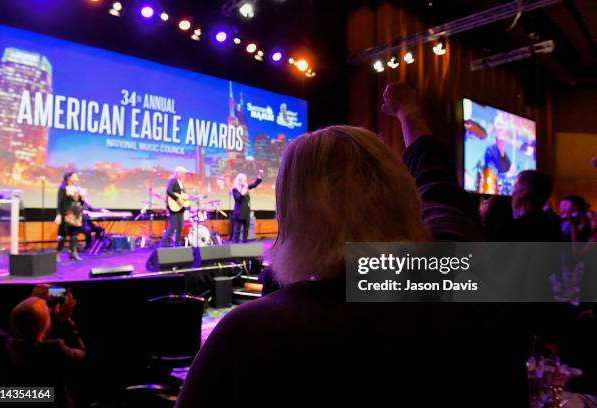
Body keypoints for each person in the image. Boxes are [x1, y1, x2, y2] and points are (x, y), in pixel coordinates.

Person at [176, 84, 527, 407]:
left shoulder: (246, 335)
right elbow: (442, 195)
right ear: (401, 195)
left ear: (293, 213)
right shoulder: (462, 287)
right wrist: (410, 116)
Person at [0, 297, 85, 408]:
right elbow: (82, 355)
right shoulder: (55, 348)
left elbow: (24, 329)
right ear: (45, 323)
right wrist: (67, 321)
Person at [510, 170, 563, 242]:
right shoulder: (554, 227)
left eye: (515, 187)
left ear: (525, 192)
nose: (513, 192)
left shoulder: (518, 229)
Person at [55, 171, 85, 261]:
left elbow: (81, 203)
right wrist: (59, 215)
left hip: (76, 214)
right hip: (66, 214)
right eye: (74, 177)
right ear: (69, 178)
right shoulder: (63, 188)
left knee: (74, 235)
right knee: (62, 235)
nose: (76, 179)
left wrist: (82, 198)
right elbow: (59, 203)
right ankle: (57, 253)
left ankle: (73, 254)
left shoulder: (78, 189)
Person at [231, 170, 263, 243]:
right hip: (239, 211)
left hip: (246, 211)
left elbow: (254, 184)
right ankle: (235, 243)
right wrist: (243, 190)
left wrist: (259, 175)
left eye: (245, 180)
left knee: (246, 228)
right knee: (237, 229)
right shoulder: (235, 189)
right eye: (243, 180)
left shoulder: (246, 187)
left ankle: (244, 242)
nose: (245, 181)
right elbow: (238, 198)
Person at [162, 166, 189, 247]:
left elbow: (183, 196)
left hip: (180, 208)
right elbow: (168, 191)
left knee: (180, 226)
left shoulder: (181, 183)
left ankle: (178, 244)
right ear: (179, 173)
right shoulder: (173, 181)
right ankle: (164, 244)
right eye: (183, 173)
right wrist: (177, 199)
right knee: (173, 226)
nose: (184, 175)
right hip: (174, 207)